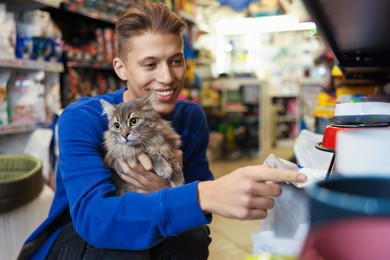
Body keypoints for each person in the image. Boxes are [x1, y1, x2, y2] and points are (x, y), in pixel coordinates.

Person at [19, 1, 307, 259]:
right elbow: (96, 220)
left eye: (176, 60)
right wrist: (199, 195)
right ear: (121, 68)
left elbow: (197, 215)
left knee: (190, 238)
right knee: (123, 250)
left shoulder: (191, 117)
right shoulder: (82, 118)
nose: (167, 78)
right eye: (150, 64)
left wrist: (167, 191)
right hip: (76, 241)